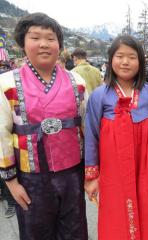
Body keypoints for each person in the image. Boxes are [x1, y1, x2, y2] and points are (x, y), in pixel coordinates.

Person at [0, 12, 88, 240]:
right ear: (22, 43)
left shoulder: (77, 82)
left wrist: (90, 172)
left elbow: (86, 129)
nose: (43, 44)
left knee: (75, 232)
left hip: (72, 175)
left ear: (59, 44)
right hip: (31, 179)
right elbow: (1, 135)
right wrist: (11, 182)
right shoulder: (6, 84)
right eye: (35, 37)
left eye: (50, 38)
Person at [84, 34, 148, 240]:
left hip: (146, 167)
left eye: (132, 57)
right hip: (114, 170)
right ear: (110, 60)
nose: (125, 62)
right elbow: (92, 136)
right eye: (119, 56)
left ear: (140, 61)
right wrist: (92, 177)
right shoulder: (99, 96)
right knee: (116, 215)